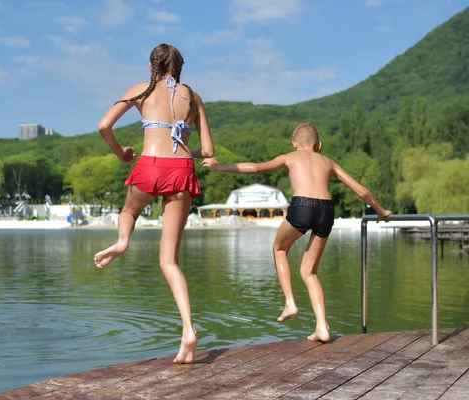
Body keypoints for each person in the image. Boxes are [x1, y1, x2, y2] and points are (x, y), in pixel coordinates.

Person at [202, 123, 391, 342]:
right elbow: (361, 190)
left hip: (302, 206)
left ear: (294, 144)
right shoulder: (329, 162)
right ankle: (322, 326)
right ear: (319, 145)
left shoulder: (289, 157)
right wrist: (381, 211)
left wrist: (218, 166)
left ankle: (290, 302)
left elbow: (255, 168)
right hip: (326, 211)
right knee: (309, 272)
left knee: (279, 248)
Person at [94, 43, 214, 364]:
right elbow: (209, 149)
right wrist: (186, 149)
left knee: (129, 211)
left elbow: (104, 125)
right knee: (169, 262)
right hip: (182, 170)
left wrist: (121, 154)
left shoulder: (141, 90)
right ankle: (188, 330)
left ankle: (122, 242)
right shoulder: (193, 96)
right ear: (180, 67)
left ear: (152, 65)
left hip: (149, 165)